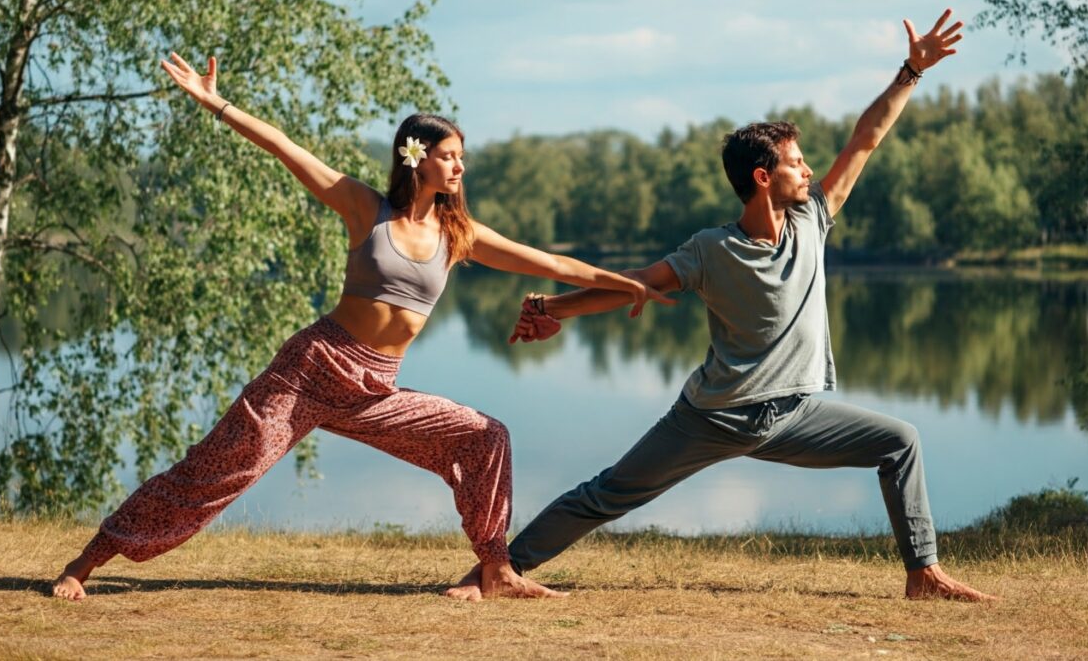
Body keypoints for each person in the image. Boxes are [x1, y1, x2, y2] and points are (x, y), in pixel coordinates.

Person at [51, 53, 672, 602]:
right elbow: (286, 149)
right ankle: (87, 562)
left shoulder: (460, 235)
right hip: (311, 368)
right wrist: (218, 105)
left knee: (485, 437)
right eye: (450, 156)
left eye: (462, 157)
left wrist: (628, 285)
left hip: (375, 387)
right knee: (218, 467)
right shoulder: (364, 207)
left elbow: (554, 262)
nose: (460, 167)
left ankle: (496, 568)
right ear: (417, 158)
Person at [473, 8, 996, 602]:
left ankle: (923, 574)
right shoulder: (711, 250)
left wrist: (910, 72)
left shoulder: (812, 220)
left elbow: (866, 139)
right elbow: (637, 282)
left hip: (792, 416)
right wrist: (554, 310)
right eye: (796, 162)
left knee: (900, 441)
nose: (808, 170)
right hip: (711, 419)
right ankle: (499, 570)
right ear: (763, 176)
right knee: (608, 494)